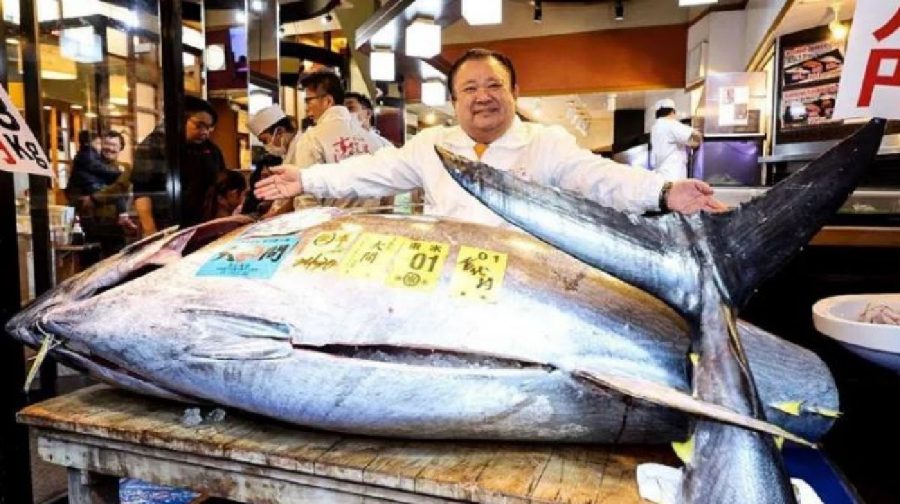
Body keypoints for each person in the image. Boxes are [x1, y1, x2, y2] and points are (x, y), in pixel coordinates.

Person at [255, 48, 726, 225]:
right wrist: (307, 179)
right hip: (449, 279)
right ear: (455, 101)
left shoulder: (547, 141)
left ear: (514, 92)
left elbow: (599, 177)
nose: (483, 97)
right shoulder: (431, 145)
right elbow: (369, 172)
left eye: (494, 85)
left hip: (529, 282)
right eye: (470, 89)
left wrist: (665, 191)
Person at [288, 71, 391, 209]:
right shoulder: (376, 140)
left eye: (308, 101)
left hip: (332, 227)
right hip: (372, 224)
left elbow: (306, 197)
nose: (306, 109)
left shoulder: (311, 138)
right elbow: (389, 190)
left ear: (328, 101)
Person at [131, 95, 228, 237]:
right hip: (166, 226)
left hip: (204, 225)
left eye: (209, 127)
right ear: (180, 120)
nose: (205, 132)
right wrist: (151, 232)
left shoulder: (211, 149)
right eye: (199, 125)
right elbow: (142, 191)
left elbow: (221, 185)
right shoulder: (154, 145)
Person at [66, 130, 136, 255]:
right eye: (106, 144)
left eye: (114, 145)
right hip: (88, 224)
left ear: (121, 148)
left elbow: (119, 187)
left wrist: (94, 198)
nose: (109, 148)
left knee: (114, 264)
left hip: (113, 224)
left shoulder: (125, 167)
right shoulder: (90, 165)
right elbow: (74, 187)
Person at [650, 98, 703, 181]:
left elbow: (671, 141)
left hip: (661, 174)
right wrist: (696, 143)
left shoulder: (656, 127)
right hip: (673, 175)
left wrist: (688, 143)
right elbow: (696, 134)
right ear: (672, 112)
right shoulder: (671, 124)